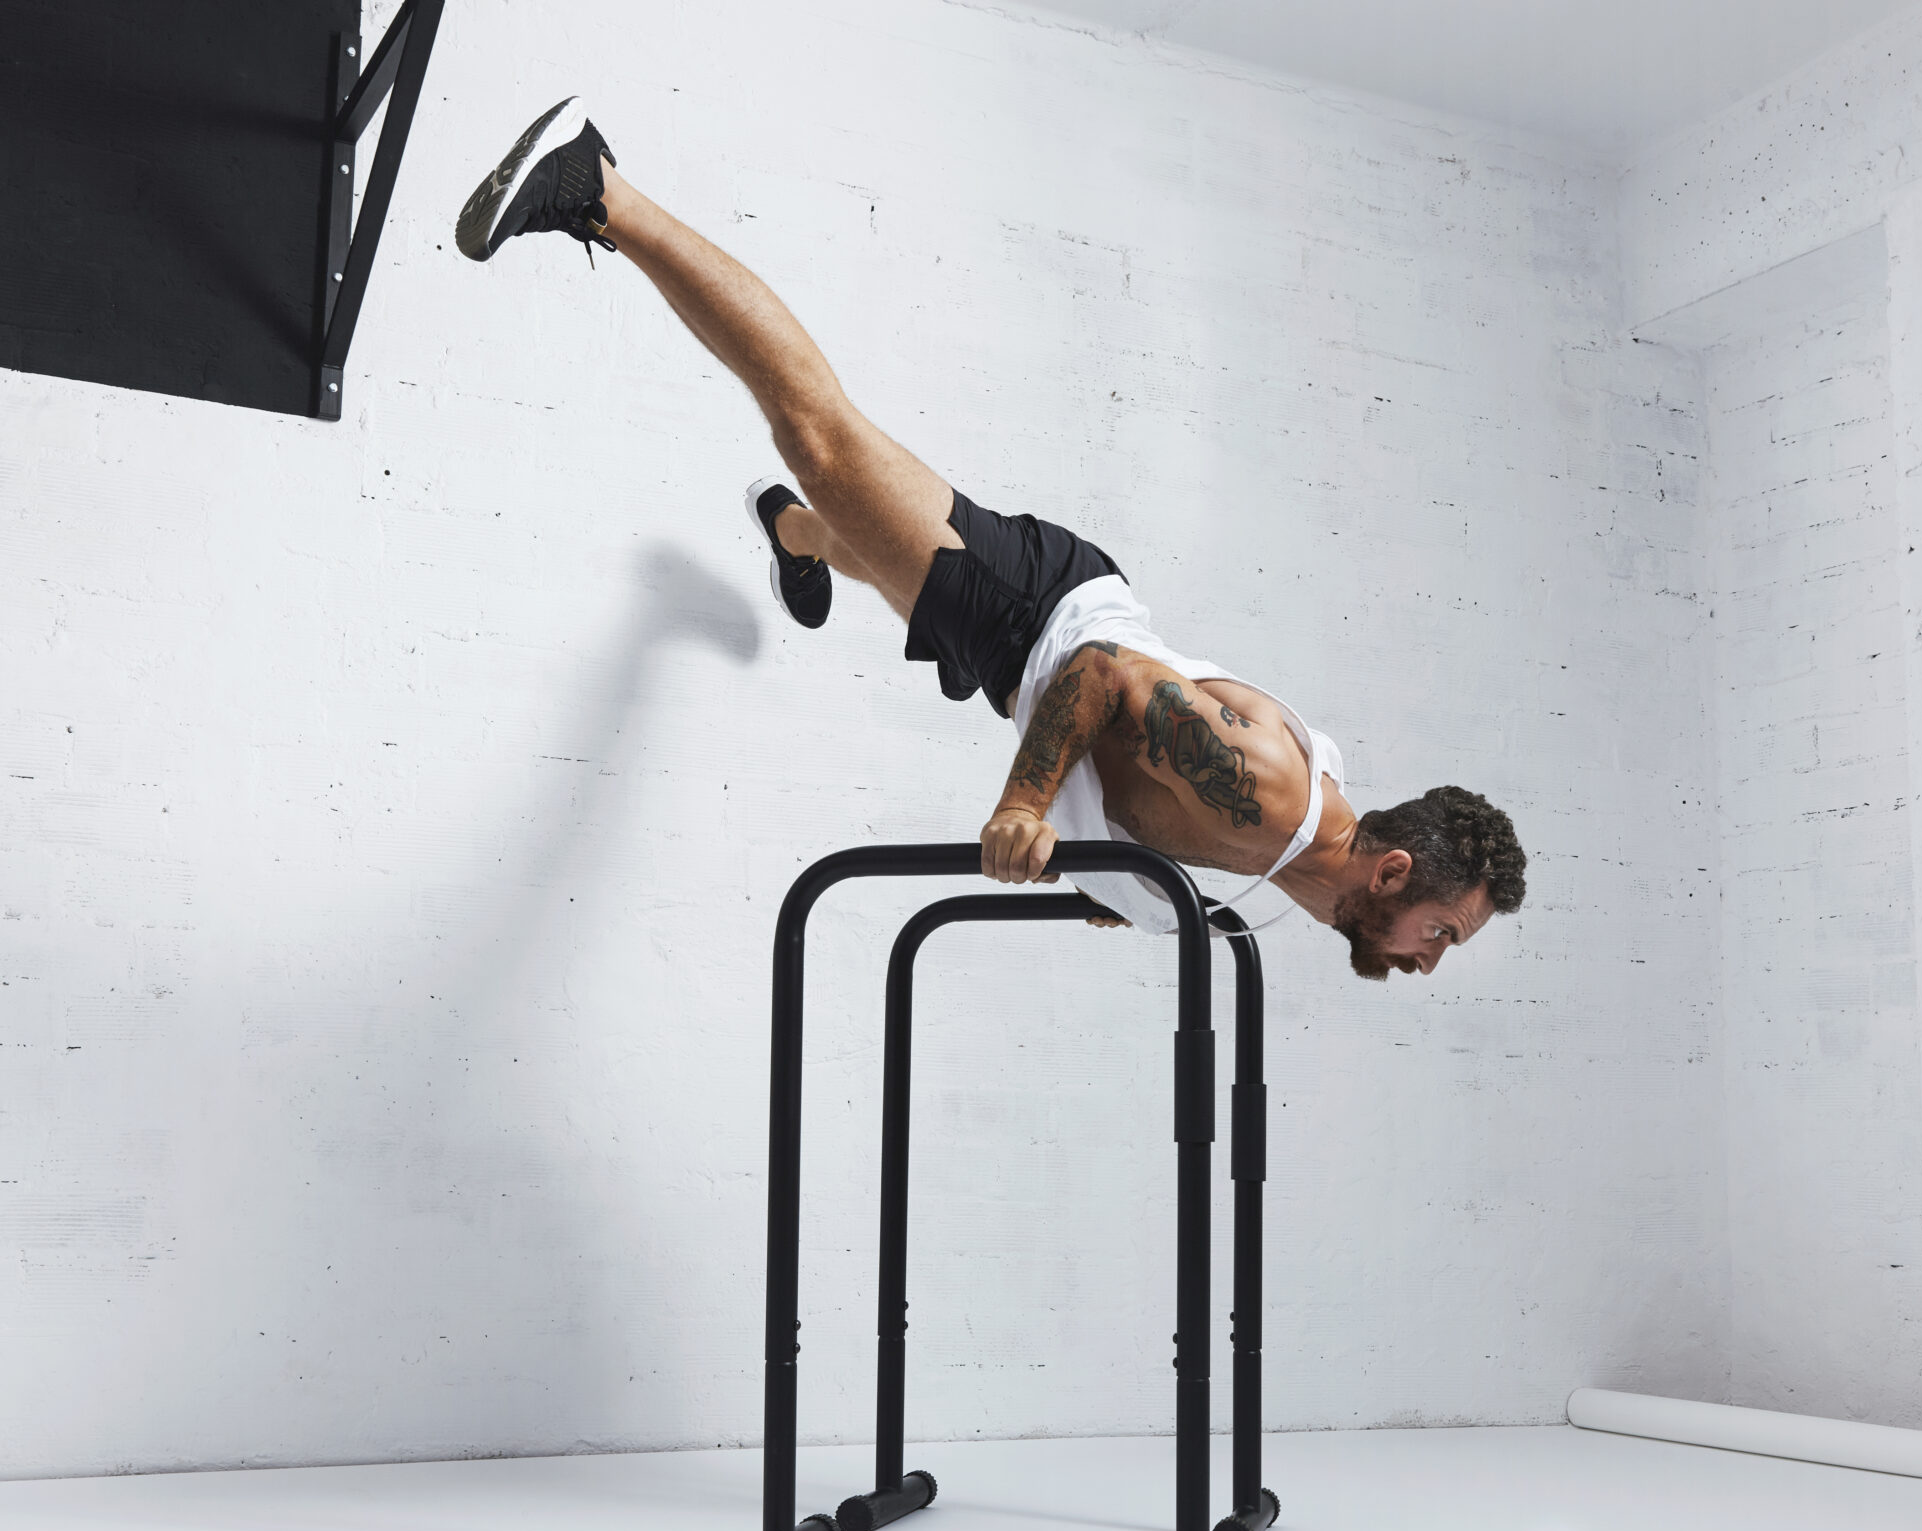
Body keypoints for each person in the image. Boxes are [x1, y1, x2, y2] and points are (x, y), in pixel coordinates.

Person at [453, 98, 1526, 977]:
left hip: (1028, 652)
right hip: (1040, 615)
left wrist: (1120, 885)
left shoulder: (1277, 869)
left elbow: (1133, 792)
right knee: (823, 433)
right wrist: (1021, 804)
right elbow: (1106, 676)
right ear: (1389, 874)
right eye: (1441, 933)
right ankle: (601, 191)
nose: (1428, 962)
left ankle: (796, 534)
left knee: (850, 519)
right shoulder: (1277, 800)